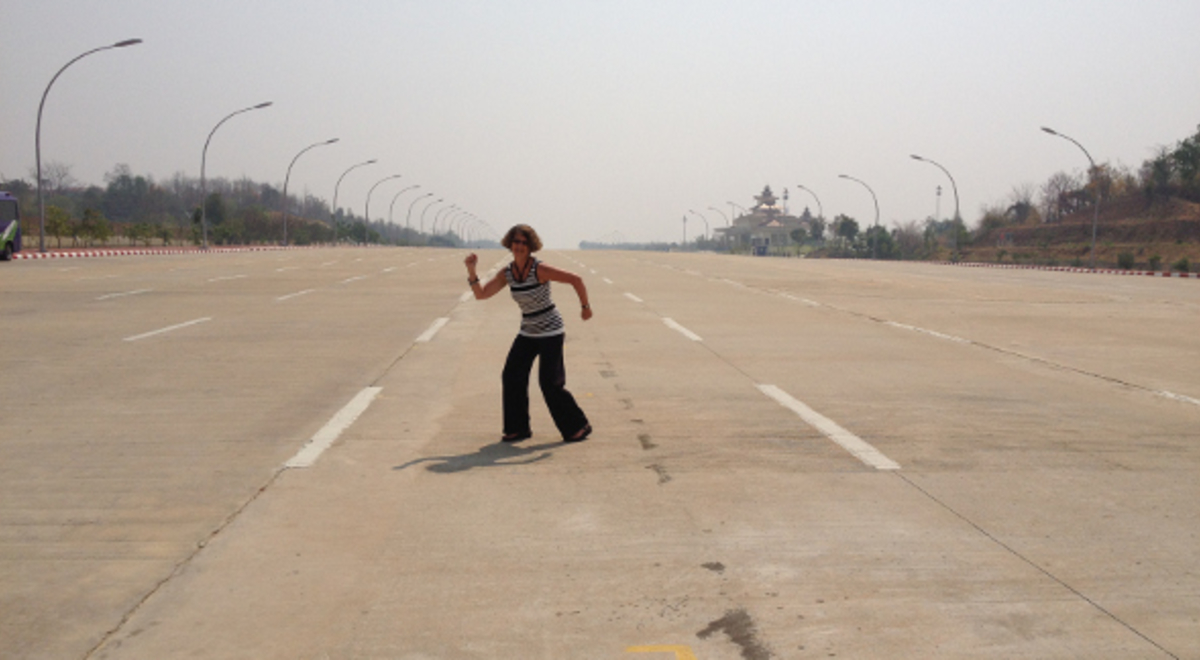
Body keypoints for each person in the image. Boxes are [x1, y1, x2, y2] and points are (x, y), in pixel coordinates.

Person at [464, 224, 593, 443]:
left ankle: (577, 426)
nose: (519, 246)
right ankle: (518, 428)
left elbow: (576, 279)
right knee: (512, 376)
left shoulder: (539, 269)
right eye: (516, 242)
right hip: (528, 331)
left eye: (524, 242)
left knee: (549, 383)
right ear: (509, 244)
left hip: (551, 330)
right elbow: (482, 294)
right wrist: (472, 271)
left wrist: (585, 307)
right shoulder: (508, 273)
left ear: (531, 246)